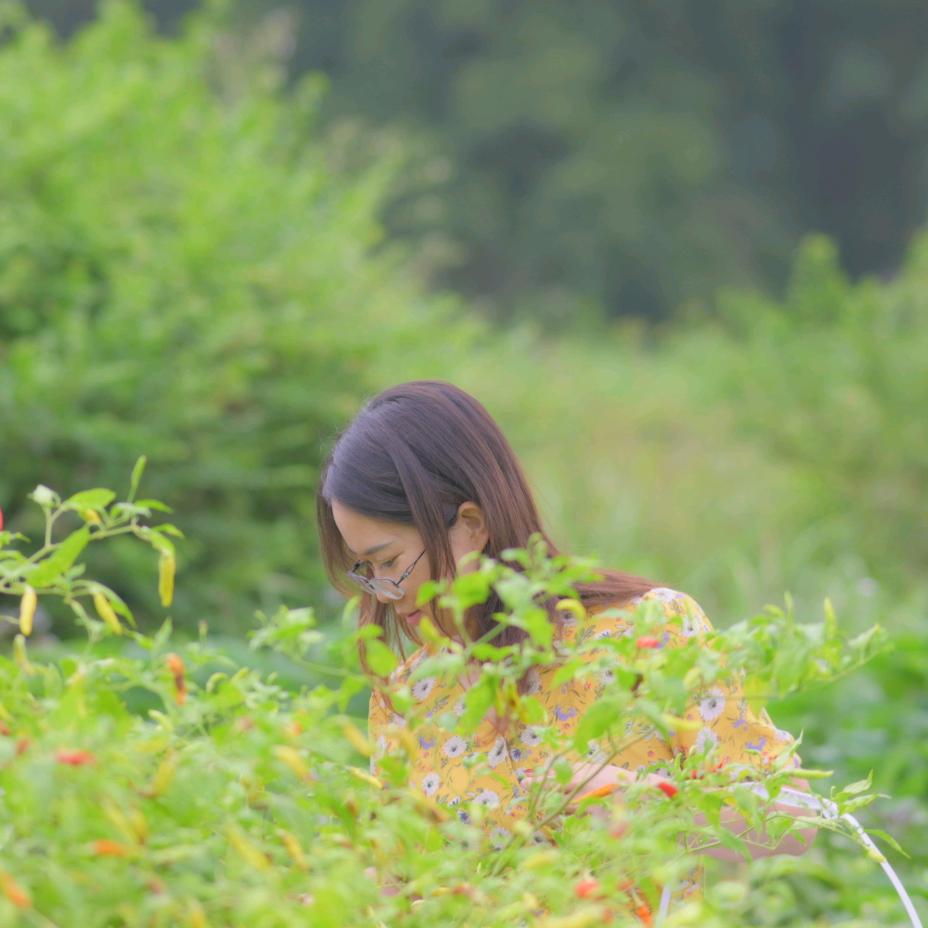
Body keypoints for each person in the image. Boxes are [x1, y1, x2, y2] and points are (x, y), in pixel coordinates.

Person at [316, 380, 817, 906]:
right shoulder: (406, 698)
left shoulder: (645, 632)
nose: (386, 593)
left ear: (472, 525)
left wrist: (648, 808)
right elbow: (396, 890)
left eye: (391, 562)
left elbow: (795, 821)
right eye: (366, 570)